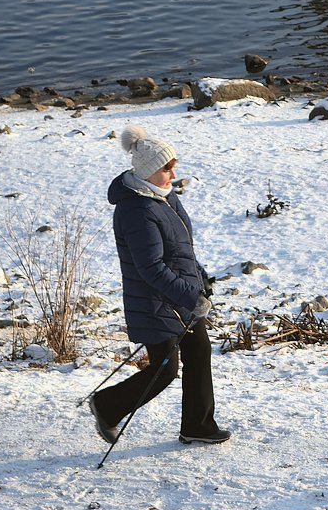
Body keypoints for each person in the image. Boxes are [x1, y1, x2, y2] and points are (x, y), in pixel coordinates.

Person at [89, 125, 231, 446]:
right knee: (164, 370)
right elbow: (151, 268)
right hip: (155, 302)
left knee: (199, 350)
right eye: (167, 167)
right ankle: (107, 406)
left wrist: (200, 277)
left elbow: (182, 248)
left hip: (179, 296)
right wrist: (190, 295)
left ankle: (198, 426)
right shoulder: (137, 209)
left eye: (173, 164)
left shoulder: (165, 198)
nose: (173, 172)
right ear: (149, 171)